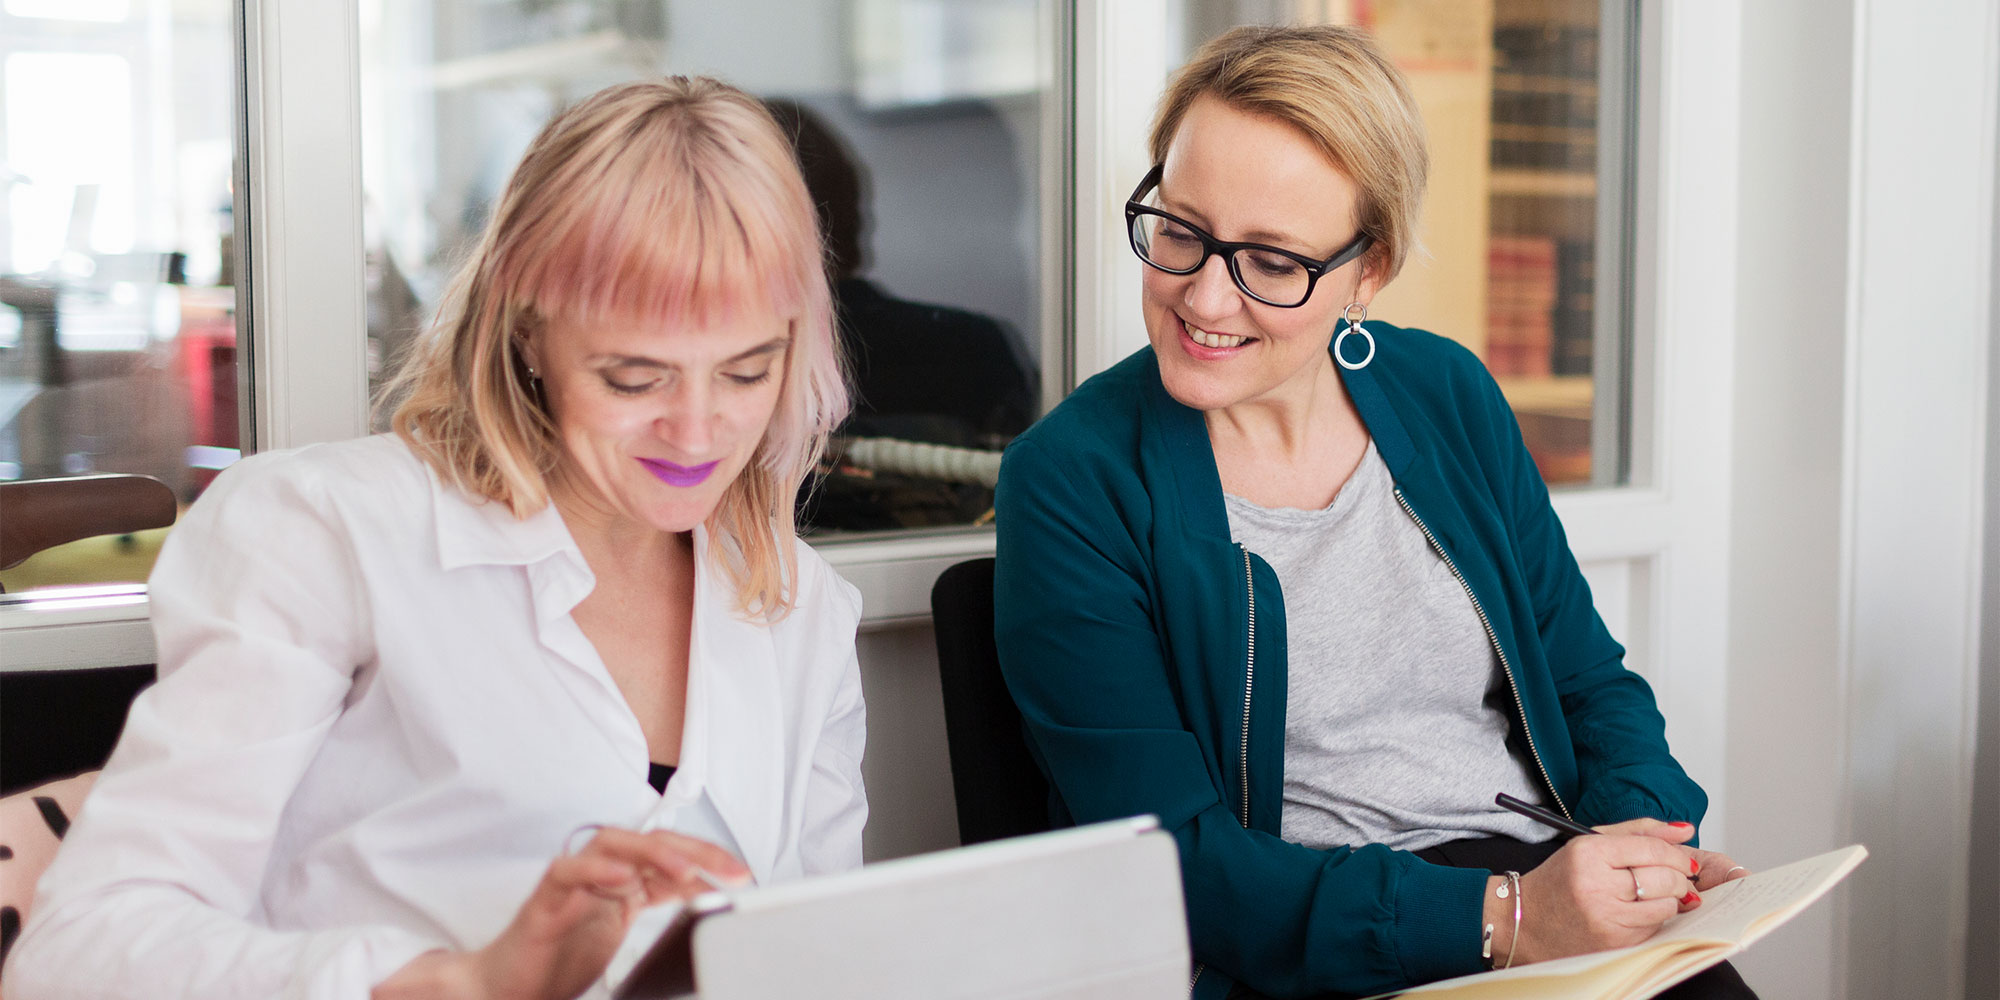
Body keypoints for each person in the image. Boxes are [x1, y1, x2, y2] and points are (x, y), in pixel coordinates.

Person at [7, 76, 865, 1000]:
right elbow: (80, 950)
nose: (697, 435)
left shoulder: (799, 604)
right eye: (633, 378)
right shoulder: (326, 531)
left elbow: (826, 957)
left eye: (746, 372)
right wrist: (458, 983)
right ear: (526, 331)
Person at [992, 26, 1753, 1000]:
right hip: (1317, 948)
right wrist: (1506, 918)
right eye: (1180, 229)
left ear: (1369, 268)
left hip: (1537, 885)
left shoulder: (1444, 391)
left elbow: (1586, 684)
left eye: (1270, 260)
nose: (1202, 295)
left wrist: (1642, 856)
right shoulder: (1073, 478)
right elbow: (1166, 860)